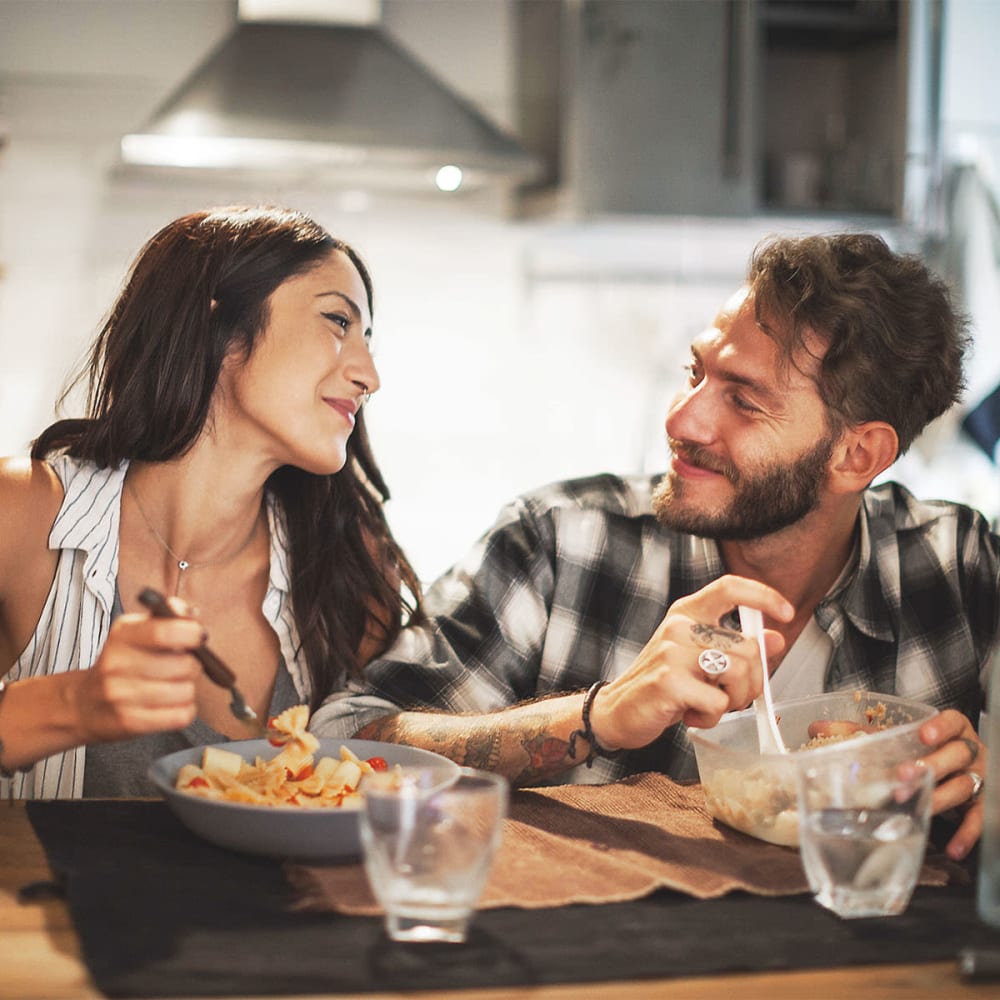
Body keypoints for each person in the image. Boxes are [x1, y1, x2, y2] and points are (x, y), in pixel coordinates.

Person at [311, 232, 1000, 862]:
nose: (682, 416)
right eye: (696, 373)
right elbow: (342, 739)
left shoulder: (957, 565)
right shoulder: (562, 542)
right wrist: (596, 717)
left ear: (856, 454)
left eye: (745, 401)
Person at [0, 204, 422, 798]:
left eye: (368, 339)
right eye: (337, 322)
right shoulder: (19, 513)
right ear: (219, 328)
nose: (369, 375)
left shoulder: (349, 572)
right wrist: (71, 704)